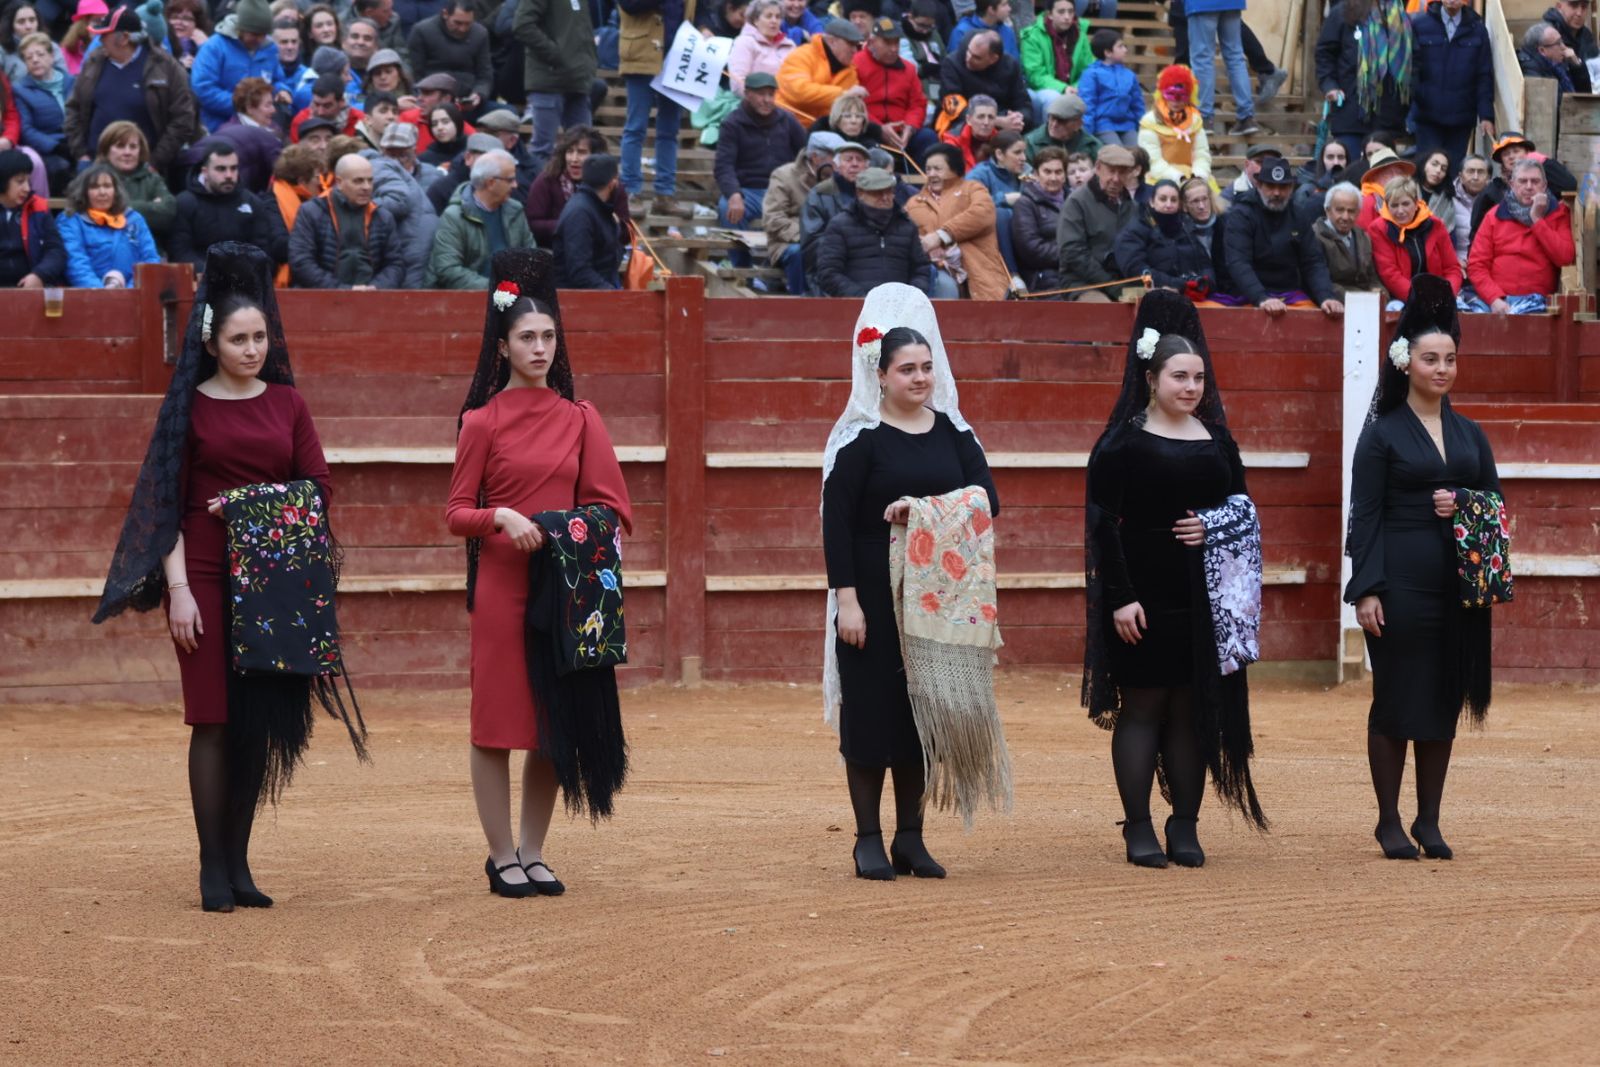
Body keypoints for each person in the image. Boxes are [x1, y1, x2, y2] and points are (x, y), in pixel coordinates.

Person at [92, 241, 368, 913]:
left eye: (260, 337)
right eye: (238, 338)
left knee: (254, 722)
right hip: (206, 573)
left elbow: (318, 487)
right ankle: (212, 864)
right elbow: (168, 507)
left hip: (274, 578)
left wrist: (248, 504)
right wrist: (179, 588)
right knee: (212, 718)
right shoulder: (190, 408)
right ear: (210, 342)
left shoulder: (287, 404)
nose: (251, 348)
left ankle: (240, 862)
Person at [447, 247, 633, 896]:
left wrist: (564, 529)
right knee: (496, 725)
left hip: (563, 591)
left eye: (548, 335)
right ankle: (501, 854)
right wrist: (499, 516)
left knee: (551, 725)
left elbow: (612, 506)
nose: (540, 347)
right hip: (502, 591)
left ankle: (533, 849)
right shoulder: (481, 421)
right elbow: (455, 513)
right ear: (502, 348)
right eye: (526, 337)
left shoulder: (581, 419)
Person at [822, 284, 1002, 878]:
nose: (921, 378)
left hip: (935, 599)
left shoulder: (954, 431)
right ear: (882, 374)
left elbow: (987, 500)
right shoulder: (860, 440)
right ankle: (868, 837)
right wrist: (847, 601)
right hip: (872, 596)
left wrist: (922, 511)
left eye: (927, 366)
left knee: (924, 713)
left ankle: (911, 836)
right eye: (908, 369)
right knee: (872, 715)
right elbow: (837, 525)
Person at [1083, 290, 1267, 868]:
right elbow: (1102, 527)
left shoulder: (1217, 440)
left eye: (1198, 378)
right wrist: (1120, 599)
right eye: (1179, 377)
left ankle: (1184, 823)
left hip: (1202, 600)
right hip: (1141, 597)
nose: (1191, 388)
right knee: (1142, 707)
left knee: (1191, 710)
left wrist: (1212, 525)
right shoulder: (1121, 443)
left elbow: (1242, 506)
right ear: (1151, 377)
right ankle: (1138, 826)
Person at [1345, 273, 1502, 861]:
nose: (1442, 368)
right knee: (1395, 699)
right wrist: (1367, 590)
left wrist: (1461, 503)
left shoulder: (1470, 434)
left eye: (1450, 359)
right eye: (1431, 359)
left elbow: (1496, 505)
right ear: (1406, 363)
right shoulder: (1382, 436)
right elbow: (1364, 516)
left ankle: (1428, 820)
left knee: (1441, 700)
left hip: (1456, 587)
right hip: (1399, 585)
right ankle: (1388, 821)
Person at [63, 6, 198, 176]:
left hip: (145, 172)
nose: (99, 40)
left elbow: (183, 120)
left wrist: (155, 162)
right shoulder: (94, 61)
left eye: (105, 35)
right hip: (94, 166)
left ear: (125, 38)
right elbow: (73, 108)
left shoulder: (166, 67)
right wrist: (81, 153)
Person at [1221, 157, 1342, 316]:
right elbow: (1238, 262)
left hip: (1290, 294)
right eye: (1270, 186)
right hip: (1248, 295)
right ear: (1259, 185)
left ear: (1291, 188)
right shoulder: (1241, 214)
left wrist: (1325, 296)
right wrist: (1261, 298)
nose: (1277, 193)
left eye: (1283, 187)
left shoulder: (1298, 214)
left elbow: (1313, 261)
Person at [1464, 159, 1574, 315]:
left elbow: (1564, 257)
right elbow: (1476, 265)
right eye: (1523, 181)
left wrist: (1537, 220)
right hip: (1495, 299)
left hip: (1537, 301)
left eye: (1535, 181)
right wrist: (1494, 298)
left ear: (1544, 186)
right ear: (1512, 184)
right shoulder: (1494, 215)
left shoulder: (1558, 213)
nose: (1529, 187)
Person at [615, 0, 691, 213]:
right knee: (635, 128)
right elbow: (629, 4)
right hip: (640, 55)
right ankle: (630, 191)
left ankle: (665, 194)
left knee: (669, 132)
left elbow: (701, 10)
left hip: (678, 60)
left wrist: (705, 27)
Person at [907, 142, 1008, 300]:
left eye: (938, 169)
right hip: (934, 271)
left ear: (954, 169)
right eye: (928, 169)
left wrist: (942, 236)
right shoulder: (914, 203)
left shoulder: (973, 189)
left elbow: (983, 213)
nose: (932, 174)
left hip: (978, 268)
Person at [1316, 1, 1413, 162]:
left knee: (1381, 177)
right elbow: (1324, 54)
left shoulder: (1401, 18)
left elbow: (1413, 62)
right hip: (1350, 110)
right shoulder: (1342, 13)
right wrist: (1330, 86)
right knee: (1351, 175)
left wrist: (1407, 97)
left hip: (1388, 115)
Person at [289, 152, 405, 288]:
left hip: (372, 298)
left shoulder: (382, 216)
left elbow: (396, 264)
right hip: (322, 299)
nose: (366, 187)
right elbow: (301, 262)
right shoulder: (312, 212)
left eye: (370, 180)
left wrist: (376, 288)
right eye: (358, 181)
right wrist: (342, 290)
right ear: (339, 182)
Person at [170, 140, 289, 269]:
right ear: (205, 171)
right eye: (221, 169)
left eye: (233, 168)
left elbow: (263, 251)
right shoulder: (185, 203)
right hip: (200, 281)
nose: (229, 175)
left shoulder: (253, 203)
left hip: (244, 281)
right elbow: (180, 252)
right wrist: (211, 274)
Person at [815, 166, 931, 296]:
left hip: (901, 307)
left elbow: (921, 269)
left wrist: (911, 296)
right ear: (860, 193)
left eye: (889, 191)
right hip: (855, 307)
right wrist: (861, 298)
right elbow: (828, 272)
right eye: (877, 192)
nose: (885, 197)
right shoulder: (839, 225)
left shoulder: (907, 226)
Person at [427, 148, 534, 289]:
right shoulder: (454, 217)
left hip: (511, 298)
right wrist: (496, 288)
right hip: (464, 300)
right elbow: (448, 270)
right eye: (510, 180)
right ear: (490, 183)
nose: (515, 185)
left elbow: (531, 258)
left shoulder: (515, 210)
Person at [1410, 0, 1494, 175]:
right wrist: (1414, 101)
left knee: (1453, 173)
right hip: (1427, 114)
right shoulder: (1419, 24)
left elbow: (1484, 74)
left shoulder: (1477, 29)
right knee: (1427, 171)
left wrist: (1486, 115)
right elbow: (1411, 68)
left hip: (1461, 116)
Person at [715, 70, 806, 229]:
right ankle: (739, 255)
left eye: (771, 94)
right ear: (747, 94)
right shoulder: (732, 124)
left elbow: (806, 154)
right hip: (748, 192)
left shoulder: (788, 120)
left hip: (784, 191)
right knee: (726, 207)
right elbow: (724, 166)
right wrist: (734, 194)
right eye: (761, 94)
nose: (767, 100)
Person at [515, 0, 596, 170]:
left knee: (585, 148)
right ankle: (539, 195)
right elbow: (522, 25)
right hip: (548, 81)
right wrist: (555, 54)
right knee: (542, 150)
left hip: (578, 80)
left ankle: (579, 195)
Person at [524, 125, 631, 248]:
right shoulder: (547, 180)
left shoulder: (610, 185)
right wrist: (571, 225)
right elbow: (532, 224)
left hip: (600, 254)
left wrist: (603, 227)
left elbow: (626, 232)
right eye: (570, 151)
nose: (574, 159)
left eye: (582, 152)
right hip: (556, 251)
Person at [1055, 141, 1135, 301]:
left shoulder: (1131, 205)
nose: (1116, 179)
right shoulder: (1077, 202)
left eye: (1122, 173)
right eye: (1111, 171)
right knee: (1106, 310)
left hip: (1125, 281)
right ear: (1098, 168)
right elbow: (1073, 253)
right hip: (1083, 283)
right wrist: (1112, 286)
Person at [853, 14, 936, 167]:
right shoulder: (856, 64)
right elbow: (854, 105)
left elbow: (918, 104)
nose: (894, 49)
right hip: (870, 131)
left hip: (902, 134)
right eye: (887, 43)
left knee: (928, 137)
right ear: (871, 41)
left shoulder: (909, 69)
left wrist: (910, 128)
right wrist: (879, 129)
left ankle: (922, 185)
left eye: (896, 43)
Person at [57, 163, 158, 287]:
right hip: (90, 297)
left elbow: (150, 260)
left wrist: (130, 292)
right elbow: (76, 266)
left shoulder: (134, 219)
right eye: (94, 187)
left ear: (116, 191)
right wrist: (105, 295)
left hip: (134, 296)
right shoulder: (70, 220)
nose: (102, 192)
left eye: (107, 186)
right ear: (83, 192)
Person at [1114, 177, 1214, 301]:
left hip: (1189, 295)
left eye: (1173, 200)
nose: (1168, 204)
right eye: (1162, 199)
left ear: (1179, 204)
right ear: (1151, 201)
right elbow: (1136, 269)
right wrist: (1178, 284)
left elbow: (1205, 264)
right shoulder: (1135, 228)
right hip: (1150, 297)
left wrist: (1205, 284)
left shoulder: (1186, 226)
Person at [1367, 175, 1461, 306]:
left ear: (1416, 203)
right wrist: (1421, 299)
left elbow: (1452, 268)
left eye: (1405, 204)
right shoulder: (1379, 229)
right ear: (1386, 206)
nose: (1400, 210)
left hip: (1439, 296)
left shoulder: (1436, 225)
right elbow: (1390, 274)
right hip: (1400, 298)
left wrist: (1447, 294)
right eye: (1394, 205)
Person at [1466, 132, 1576, 242]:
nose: (1511, 157)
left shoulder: (1545, 183)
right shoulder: (1493, 190)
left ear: (1529, 153)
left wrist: (1542, 161)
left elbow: (1569, 185)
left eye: (1516, 151)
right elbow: (1477, 234)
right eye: (1506, 154)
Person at [765, 129, 838, 294]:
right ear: (815, 157)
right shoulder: (783, 176)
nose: (838, 162)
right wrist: (810, 237)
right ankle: (801, 301)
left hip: (831, 240)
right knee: (798, 253)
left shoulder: (840, 180)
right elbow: (774, 219)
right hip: (789, 241)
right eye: (834, 157)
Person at [190, 0, 281, 133]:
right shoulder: (214, 47)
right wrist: (244, 105)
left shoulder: (269, 48)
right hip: (219, 128)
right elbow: (203, 89)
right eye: (254, 34)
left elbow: (277, 79)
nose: (260, 40)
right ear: (240, 29)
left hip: (259, 129)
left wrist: (281, 90)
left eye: (263, 34)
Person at [189, 77, 284, 195]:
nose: (274, 110)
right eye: (268, 105)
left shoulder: (274, 129)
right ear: (250, 108)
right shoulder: (228, 134)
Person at [1185, 0, 1257, 136]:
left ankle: (1204, 117)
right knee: (1235, 57)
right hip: (1232, 3)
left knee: (1203, 59)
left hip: (1201, 4)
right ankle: (1247, 117)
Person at [800, 136, 868, 278]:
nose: (854, 164)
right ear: (836, 166)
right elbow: (812, 242)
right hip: (831, 266)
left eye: (859, 160)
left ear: (867, 167)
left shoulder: (876, 195)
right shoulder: (819, 194)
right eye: (848, 159)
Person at [11, 31, 72, 190]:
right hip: (48, 148)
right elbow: (26, 130)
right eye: (29, 58)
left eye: (40, 54)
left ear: (51, 56)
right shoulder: (21, 90)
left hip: (76, 143)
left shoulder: (73, 82)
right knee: (60, 168)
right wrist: (55, 146)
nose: (35, 60)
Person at [553, 152, 622, 290]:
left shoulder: (596, 207)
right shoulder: (580, 213)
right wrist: (613, 295)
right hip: (578, 299)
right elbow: (580, 271)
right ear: (613, 183)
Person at [408, 0, 491, 114]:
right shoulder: (422, 31)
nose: (463, 29)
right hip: (434, 101)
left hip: (468, 99)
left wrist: (478, 95)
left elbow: (485, 75)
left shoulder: (480, 34)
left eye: (468, 24)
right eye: (458, 23)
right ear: (445, 14)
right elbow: (417, 74)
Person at [776, 17, 863, 125]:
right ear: (832, 41)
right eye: (850, 44)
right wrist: (842, 95)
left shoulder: (850, 72)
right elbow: (799, 92)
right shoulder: (802, 55)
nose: (854, 50)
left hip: (825, 130)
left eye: (857, 45)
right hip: (788, 123)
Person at [938, 29, 1030, 129]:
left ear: (993, 59)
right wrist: (996, 121)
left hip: (1004, 120)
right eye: (968, 51)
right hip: (965, 123)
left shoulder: (1010, 65)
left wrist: (1017, 119)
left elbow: (1023, 103)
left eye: (976, 57)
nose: (968, 58)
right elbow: (952, 107)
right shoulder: (952, 64)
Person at [965, 127, 1027, 277]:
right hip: (988, 237)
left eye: (1024, 152)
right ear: (999, 154)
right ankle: (1013, 275)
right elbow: (968, 207)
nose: (1024, 158)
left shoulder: (1028, 173)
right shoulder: (979, 174)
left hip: (1025, 233)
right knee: (1002, 214)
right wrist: (1004, 199)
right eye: (1017, 152)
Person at [1138, 63, 1210, 187]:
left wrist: (1198, 176)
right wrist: (1178, 178)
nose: (1176, 101)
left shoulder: (1195, 121)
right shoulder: (1150, 122)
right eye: (1171, 94)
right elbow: (1152, 160)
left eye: (1181, 96)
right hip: (1159, 179)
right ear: (1162, 93)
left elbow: (1201, 154)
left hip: (1193, 178)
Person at [0, 146, 62, 285]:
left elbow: (55, 250)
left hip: (30, 288)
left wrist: (39, 275)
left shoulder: (38, 207)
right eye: (20, 181)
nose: (27, 188)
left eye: (28, 181)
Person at [1312, 181, 1379, 300]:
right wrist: (1357, 298)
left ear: (1358, 213)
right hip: (1334, 301)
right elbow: (1320, 280)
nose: (1345, 217)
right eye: (1340, 210)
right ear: (1327, 210)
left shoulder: (1363, 237)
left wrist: (1379, 292)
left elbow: (1372, 277)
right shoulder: (1315, 237)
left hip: (1365, 300)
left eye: (1351, 211)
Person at [1010, 143, 1065, 290]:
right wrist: (1071, 255)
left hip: (1077, 272)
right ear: (1035, 174)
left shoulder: (1074, 201)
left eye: (1058, 172)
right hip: (1044, 277)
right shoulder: (1025, 204)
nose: (1053, 177)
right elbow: (1031, 250)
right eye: (1047, 172)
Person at [1076, 27, 1141, 148]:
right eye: (1120, 46)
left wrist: (1142, 126)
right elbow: (1087, 105)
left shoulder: (1129, 75)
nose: (1125, 50)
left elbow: (1137, 104)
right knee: (1117, 153)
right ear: (1108, 52)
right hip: (1103, 125)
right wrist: (1086, 134)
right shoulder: (1091, 74)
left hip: (1128, 124)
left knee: (1137, 154)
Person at [268, 141, 322, 285]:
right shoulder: (271, 203)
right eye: (317, 177)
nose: (320, 183)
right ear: (302, 181)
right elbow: (280, 247)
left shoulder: (316, 201)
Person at [1021, 0, 1092, 108]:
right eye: (1061, 12)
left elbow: (1088, 69)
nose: (1067, 17)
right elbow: (1035, 75)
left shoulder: (1080, 34)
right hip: (1042, 90)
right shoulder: (1032, 36)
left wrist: (1076, 88)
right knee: (1053, 98)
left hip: (1074, 88)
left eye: (1070, 12)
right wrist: (1063, 88)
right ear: (1050, 14)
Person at [731, 0, 796, 96]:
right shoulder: (744, 42)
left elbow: (797, 80)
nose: (774, 21)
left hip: (788, 102)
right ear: (756, 20)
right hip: (755, 105)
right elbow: (737, 84)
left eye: (778, 17)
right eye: (768, 16)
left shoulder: (790, 45)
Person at [1024, 90, 1099, 164]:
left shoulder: (1092, 146)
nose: (1054, 125)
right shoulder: (1031, 143)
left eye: (1062, 121)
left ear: (1078, 124)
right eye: (1052, 118)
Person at [1541, 0, 1598, 94]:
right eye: (1574, 5)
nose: (1579, 13)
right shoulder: (1547, 36)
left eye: (1584, 7)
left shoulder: (1586, 35)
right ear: (1559, 6)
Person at [291, 73, 367, 142]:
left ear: (341, 102)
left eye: (327, 106)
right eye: (316, 104)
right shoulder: (301, 121)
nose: (320, 112)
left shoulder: (359, 121)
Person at [899, 0, 946, 108]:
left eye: (929, 26)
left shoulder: (934, 34)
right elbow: (908, 68)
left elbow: (944, 56)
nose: (925, 31)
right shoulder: (901, 35)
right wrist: (925, 69)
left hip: (937, 86)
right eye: (921, 25)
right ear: (910, 17)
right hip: (915, 90)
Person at [940, 91, 1002, 170]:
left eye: (991, 117)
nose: (986, 122)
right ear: (969, 119)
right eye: (981, 117)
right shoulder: (953, 141)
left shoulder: (1001, 142)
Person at [1293, 138, 1348, 224]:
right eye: (1330, 157)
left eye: (1341, 157)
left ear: (1347, 161)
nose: (1336, 162)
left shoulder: (1356, 187)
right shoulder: (1307, 190)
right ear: (1322, 160)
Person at [1520, 20, 1575, 104]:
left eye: (1562, 41)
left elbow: (1585, 94)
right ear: (1542, 50)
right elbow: (1554, 104)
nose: (1564, 47)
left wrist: (1577, 65)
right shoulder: (1530, 69)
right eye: (1558, 43)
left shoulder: (1557, 63)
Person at [1450, 152, 1488, 266]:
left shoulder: (1496, 199)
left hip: (1486, 262)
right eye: (1471, 171)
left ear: (1488, 177)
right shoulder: (1447, 198)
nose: (1475, 177)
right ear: (1461, 176)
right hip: (1454, 263)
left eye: (1480, 172)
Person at [948, 0, 1017, 59]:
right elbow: (956, 69)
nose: (1009, 8)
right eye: (1004, 5)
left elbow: (1016, 65)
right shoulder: (961, 33)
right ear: (991, 10)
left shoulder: (1007, 31)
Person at [419, 100, 467, 166]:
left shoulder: (472, 149)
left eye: (445, 122)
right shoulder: (424, 159)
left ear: (457, 122)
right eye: (434, 124)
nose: (439, 128)